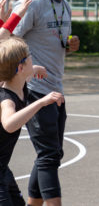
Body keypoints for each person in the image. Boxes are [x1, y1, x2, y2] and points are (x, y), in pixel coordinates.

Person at [13, 0, 80, 206]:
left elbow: (57, 43)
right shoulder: (34, 3)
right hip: (34, 90)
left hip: (56, 88)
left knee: (50, 154)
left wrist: (70, 45)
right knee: (49, 154)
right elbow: (10, 39)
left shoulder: (65, 5)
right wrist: (28, 68)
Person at [0, 37, 64, 206]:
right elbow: (9, 124)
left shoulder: (18, 83)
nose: (31, 57)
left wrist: (34, 69)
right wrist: (41, 102)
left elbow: (23, 76)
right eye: (29, 57)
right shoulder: (7, 100)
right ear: (20, 68)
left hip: (3, 170)